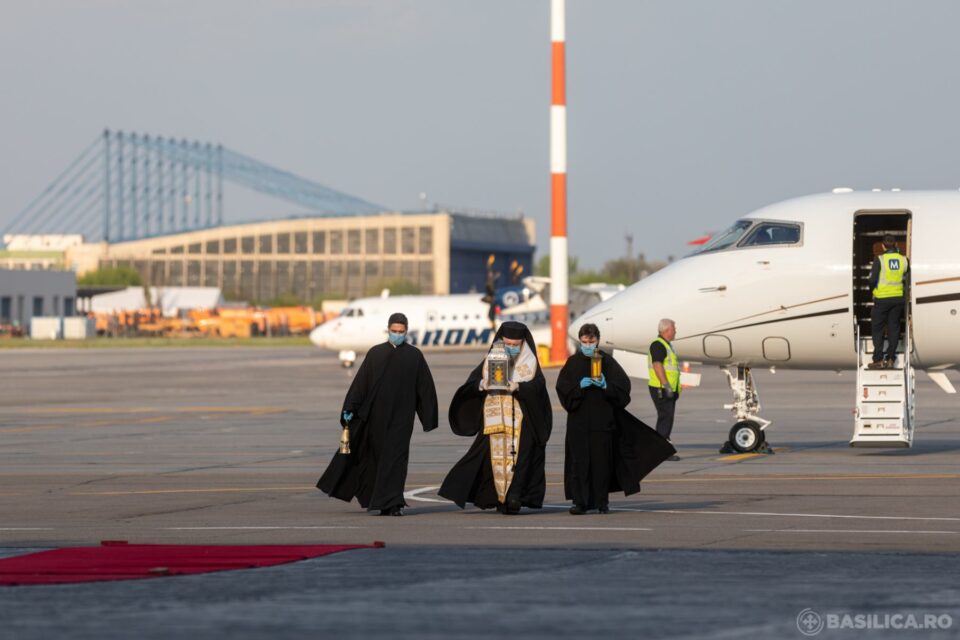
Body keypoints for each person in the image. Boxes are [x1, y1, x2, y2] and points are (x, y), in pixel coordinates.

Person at [316, 312, 438, 516]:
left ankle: (394, 503)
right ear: (388, 330)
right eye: (394, 331)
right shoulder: (375, 354)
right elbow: (360, 385)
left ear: (406, 332)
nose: (397, 334)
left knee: (397, 460)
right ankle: (379, 501)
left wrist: (428, 417)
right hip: (376, 418)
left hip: (402, 418)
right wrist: (349, 409)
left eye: (401, 332)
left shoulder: (415, 356)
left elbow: (424, 388)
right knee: (377, 459)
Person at [557, 324, 676, 515]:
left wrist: (606, 386)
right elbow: (563, 390)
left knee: (601, 463)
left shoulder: (607, 362)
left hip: (602, 423)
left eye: (591, 341)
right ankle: (580, 502)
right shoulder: (572, 363)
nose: (588, 345)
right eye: (584, 342)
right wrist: (579, 387)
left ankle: (601, 502)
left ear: (598, 341)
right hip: (578, 424)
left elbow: (623, 389)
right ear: (580, 341)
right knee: (579, 463)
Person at [439, 321, 552, 514]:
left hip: (522, 422)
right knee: (490, 459)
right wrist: (483, 384)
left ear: (523, 344)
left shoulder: (530, 363)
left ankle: (514, 497)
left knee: (522, 460)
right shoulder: (491, 359)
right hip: (494, 422)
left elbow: (538, 389)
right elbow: (472, 384)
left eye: (515, 345)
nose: (510, 348)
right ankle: (497, 498)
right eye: (507, 343)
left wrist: (519, 387)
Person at [868, 235, 909, 370]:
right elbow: (907, 275)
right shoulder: (903, 260)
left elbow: (873, 280)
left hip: (882, 299)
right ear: (896, 244)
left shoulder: (880, 259)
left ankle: (878, 359)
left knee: (878, 329)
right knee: (894, 328)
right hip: (898, 298)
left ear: (883, 246)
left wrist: (873, 290)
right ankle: (891, 358)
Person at [648, 318, 681, 461]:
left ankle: (660, 449)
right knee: (665, 418)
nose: (675, 331)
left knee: (666, 418)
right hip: (661, 388)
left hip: (666, 388)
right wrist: (666, 385)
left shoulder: (666, 345)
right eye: (674, 328)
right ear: (667, 330)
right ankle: (661, 451)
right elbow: (657, 365)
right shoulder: (658, 345)